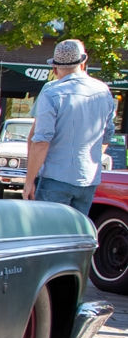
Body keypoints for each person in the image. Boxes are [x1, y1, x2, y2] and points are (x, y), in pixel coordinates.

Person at [23, 39, 116, 215]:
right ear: (83, 62)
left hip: (55, 178)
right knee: (76, 236)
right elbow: (107, 134)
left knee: (48, 235)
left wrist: (29, 181)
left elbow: (41, 140)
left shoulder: (52, 92)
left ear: (55, 68)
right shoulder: (103, 91)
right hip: (88, 179)